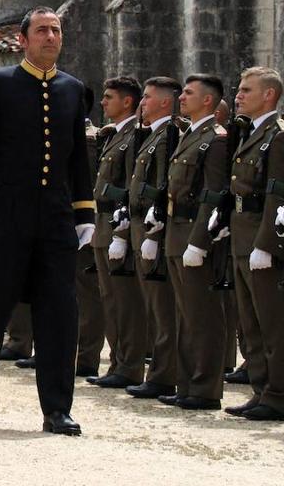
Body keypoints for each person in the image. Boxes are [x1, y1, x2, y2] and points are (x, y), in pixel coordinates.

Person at [0, 7, 94, 436]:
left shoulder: (73, 89)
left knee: (60, 311)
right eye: (42, 30)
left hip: (56, 215)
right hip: (6, 210)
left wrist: (84, 211)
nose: (50, 37)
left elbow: (77, 159)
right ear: (23, 40)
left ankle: (57, 408)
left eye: (56, 30)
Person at [159, 73, 228, 409]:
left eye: (188, 93)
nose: (181, 98)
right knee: (185, 314)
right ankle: (187, 384)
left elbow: (213, 194)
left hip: (193, 233)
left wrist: (200, 240)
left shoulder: (214, 140)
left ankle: (205, 389)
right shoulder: (191, 135)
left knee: (202, 316)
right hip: (176, 230)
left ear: (207, 101)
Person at [220, 66, 284, 420]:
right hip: (242, 233)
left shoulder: (277, 135)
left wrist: (267, 243)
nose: (239, 95)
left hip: (261, 236)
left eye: (246, 90)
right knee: (250, 322)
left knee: (272, 322)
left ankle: (278, 394)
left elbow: (277, 193)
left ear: (268, 95)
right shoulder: (250, 132)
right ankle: (262, 390)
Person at [121, 77, 181, 400]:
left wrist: (154, 230)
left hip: (152, 228)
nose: (141, 103)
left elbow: (162, 185)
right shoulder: (152, 135)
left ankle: (163, 374)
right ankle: (158, 371)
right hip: (137, 225)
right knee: (152, 305)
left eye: (146, 98)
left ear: (163, 102)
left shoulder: (168, 135)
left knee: (162, 308)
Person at [88, 76, 148, 390]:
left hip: (118, 224)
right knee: (110, 300)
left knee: (126, 303)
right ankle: (118, 363)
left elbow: (128, 188)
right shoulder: (113, 137)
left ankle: (130, 366)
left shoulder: (135, 137)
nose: (103, 102)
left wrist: (122, 233)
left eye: (109, 97)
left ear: (127, 102)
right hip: (102, 225)